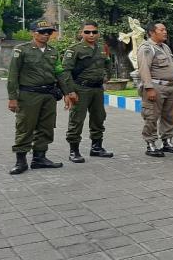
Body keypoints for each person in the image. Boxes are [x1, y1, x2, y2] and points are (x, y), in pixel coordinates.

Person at [7, 20, 73, 175]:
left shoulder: (53, 51)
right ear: (33, 32)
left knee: (46, 127)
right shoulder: (21, 50)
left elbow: (59, 73)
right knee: (25, 127)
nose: (46, 35)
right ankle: (21, 161)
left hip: (48, 95)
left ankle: (39, 158)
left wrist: (67, 93)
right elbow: (13, 75)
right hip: (28, 95)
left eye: (49, 32)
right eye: (42, 32)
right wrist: (12, 97)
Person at [62, 21, 114, 163]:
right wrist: (70, 91)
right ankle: (74, 151)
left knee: (98, 117)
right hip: (80, 89)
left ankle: (96, 147)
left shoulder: (102, 48)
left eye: (94, 32)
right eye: (87, 32)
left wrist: (106, 76)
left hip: (97, 89)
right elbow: (65, 71)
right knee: (77, 119)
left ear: (98, 33)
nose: (91, 34)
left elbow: (108, 64)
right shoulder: (74, 49)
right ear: (81, 33)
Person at [137, 22, 173, 157]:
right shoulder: (146, 48)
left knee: (170, 115)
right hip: (156, 87)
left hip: (170, 87)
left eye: (165, 29)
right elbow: (144, 69)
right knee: (151, 116)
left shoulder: (165, 47)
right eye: (161, 30)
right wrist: (149, 88)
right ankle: (150, 144)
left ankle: (166, 141)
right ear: (152, 32)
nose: (165, 32)